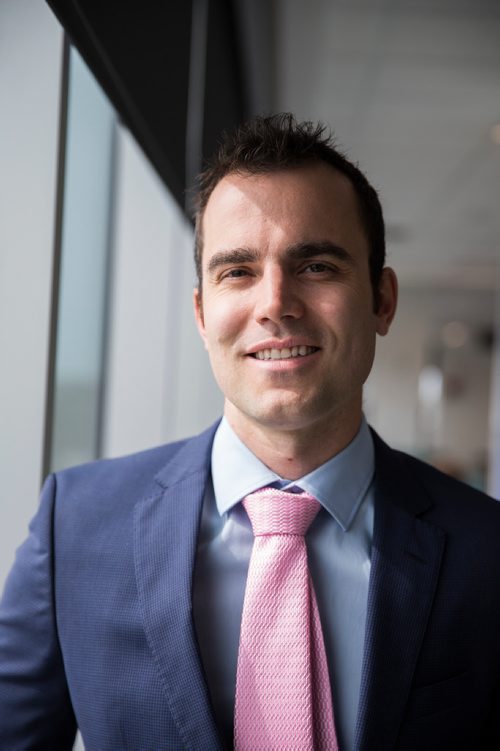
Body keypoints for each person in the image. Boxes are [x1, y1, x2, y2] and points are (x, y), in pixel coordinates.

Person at [0, 113, 499, 751]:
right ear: (203, 313)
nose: (274, 303)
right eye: (237, 271)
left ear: (382, 300)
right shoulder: (74, 528)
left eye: (317, 266)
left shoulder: (486, 551)